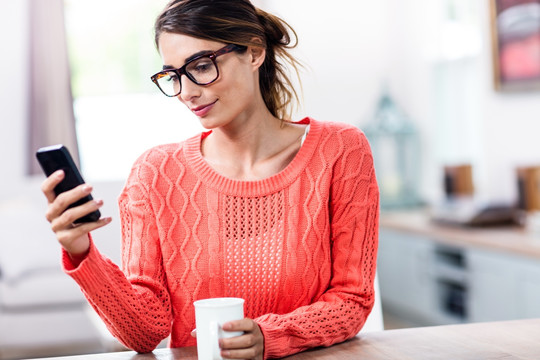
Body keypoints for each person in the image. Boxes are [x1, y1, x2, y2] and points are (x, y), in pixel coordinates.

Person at [40, 0, 380, 359]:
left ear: (254, 52)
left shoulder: (341, 150)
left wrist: (270, 335)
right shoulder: (155, 173)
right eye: (173, 75)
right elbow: (144, 333)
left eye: (201, 66)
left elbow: (351, 300)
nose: (186, 92)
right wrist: (82, 251)